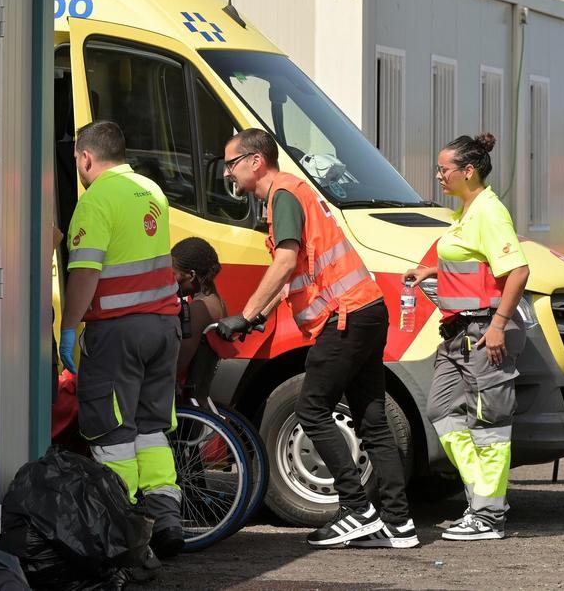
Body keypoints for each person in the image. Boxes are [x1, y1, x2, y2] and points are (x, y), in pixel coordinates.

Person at [215, 128, 417, 549]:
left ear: (256, 161)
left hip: (344, 318)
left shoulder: (283, 195)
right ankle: (398, 525)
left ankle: (357, 509)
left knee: (311, 408)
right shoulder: (295, 193)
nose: (230, 175)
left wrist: (246, 313)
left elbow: (286, 259)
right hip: (366, 310)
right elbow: (298, 272)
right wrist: (259, 318)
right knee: (372, 419)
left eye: (232, 164)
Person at [60, 120, 184, 559]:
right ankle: (166, 518)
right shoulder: (151, 190)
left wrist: (69, 327)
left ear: (86, 157)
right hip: (164, 327)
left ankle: (124, 531)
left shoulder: (96, 200)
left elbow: (85, 273)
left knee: (112, 432)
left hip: (118, 332)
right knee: (151, 429)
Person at [403, 134, 529, 541]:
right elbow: (474, 267)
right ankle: (483, 499)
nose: (439, 175)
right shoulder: (468, 211)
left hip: (482, 331)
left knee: (489, 424)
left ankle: (489, 516)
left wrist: (497, 325)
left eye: (445, 169)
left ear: (468, 171)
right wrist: (431, 273)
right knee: (441, 410)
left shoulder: (490, 212)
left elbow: (518, 271)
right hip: (458, 332)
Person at [171, 236, 227, 403]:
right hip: (201, 395)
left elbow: (178, 363)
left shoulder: (199, 309)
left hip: (186, 401)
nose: (170, 280)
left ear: (191, 275)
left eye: (173, 274)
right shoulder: (217, 301)